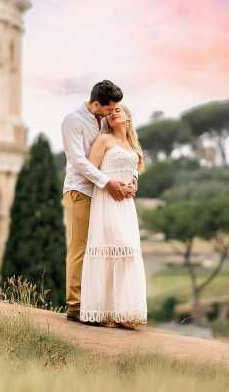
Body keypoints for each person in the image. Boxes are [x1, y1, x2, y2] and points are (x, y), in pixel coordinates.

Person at [61, 80, 136, 323]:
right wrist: (108, 183)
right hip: (80, 191)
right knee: (80, 248)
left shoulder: (104, 119)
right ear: (95, 104)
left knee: (102, 249)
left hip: (104, 197)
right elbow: (78, 161)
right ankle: (75, 305)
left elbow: (125, 152)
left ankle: (99, 304)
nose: (110, 113)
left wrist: (130, 180)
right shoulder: (72, 121)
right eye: (107, 108)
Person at [79, 103, 147, 328]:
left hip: (127, 206)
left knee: (128, 253)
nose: (114, 113)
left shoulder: (131, 144)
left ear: (128, 117)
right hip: (107, 201)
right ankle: (102, 312)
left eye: (119, 110)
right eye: (111, 111)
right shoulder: (103, 140)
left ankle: (124, 313)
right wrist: (110, 184)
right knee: (112, 248)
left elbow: (135, 168)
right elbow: (91, 169)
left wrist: (134, 183)